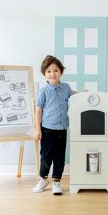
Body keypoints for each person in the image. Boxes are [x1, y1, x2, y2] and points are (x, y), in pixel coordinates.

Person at [32, 55, 76, 195]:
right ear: (44, 74)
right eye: (49, 71)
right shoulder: (43, 92)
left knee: (59, 158)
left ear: (61, 72)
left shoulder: (66, 88)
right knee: (46, 157)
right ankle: (43, 179)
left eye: (55, 70)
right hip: (47, 130)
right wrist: (37, 130)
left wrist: (82, 94)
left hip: (62, 130)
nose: (52, 74)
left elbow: (73, 95)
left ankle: (56, 181)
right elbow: (38, 111)